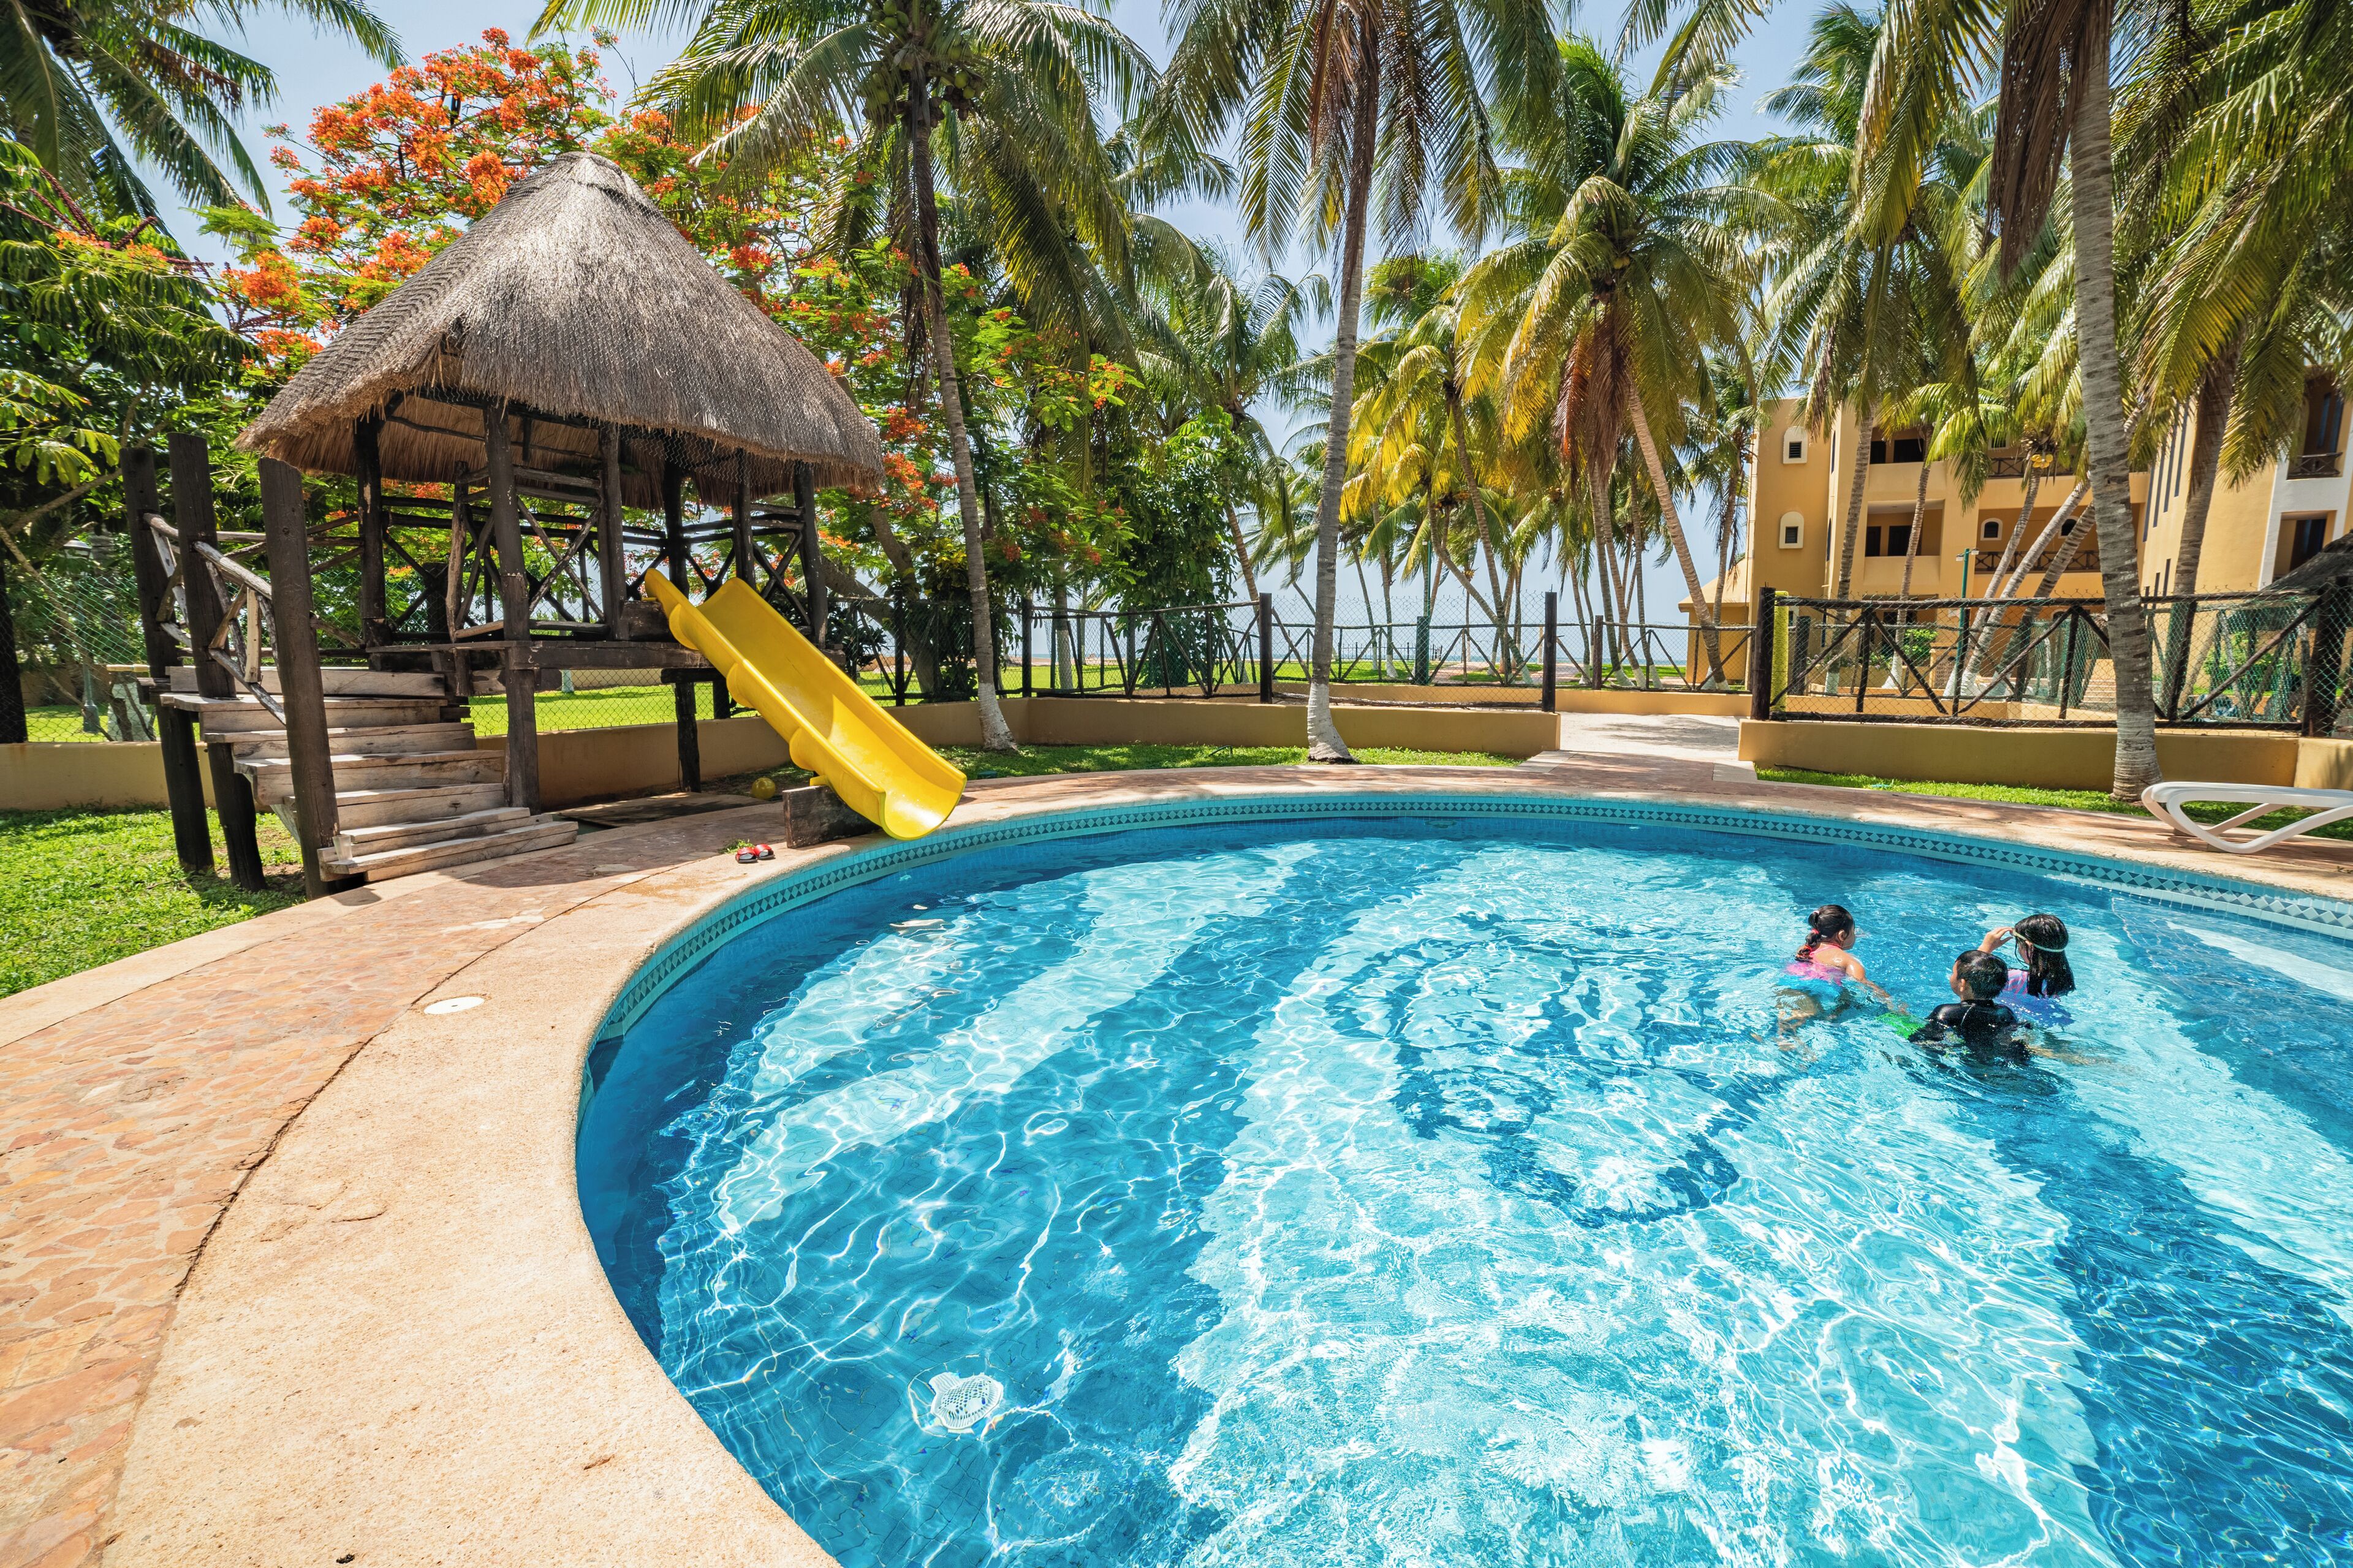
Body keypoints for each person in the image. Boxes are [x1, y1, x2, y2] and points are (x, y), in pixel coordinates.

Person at [1778, 904, 1889, 1036]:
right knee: (1851, 999)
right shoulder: (1849, 962)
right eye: (1853, 932)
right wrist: (1890, 1001)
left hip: (1786, 988)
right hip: (1813, 993)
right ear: (1842, 935)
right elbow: (1864, 986)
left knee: (1786, 1025)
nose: (1855, 936)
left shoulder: (1805, 949)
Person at [1917, 950, 2025, 1057]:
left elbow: (1922, 1041)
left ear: (1963, 983)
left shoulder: (1946, 1012)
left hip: (1965, 1059)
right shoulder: (2005, 1013)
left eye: (1953, 973)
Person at [1979, 912, 2075, 1023]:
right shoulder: (2061, 980)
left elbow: (1968, 983)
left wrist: (1985, 949)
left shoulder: (2014, 978)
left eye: (2018, 942)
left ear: (2029, 947)